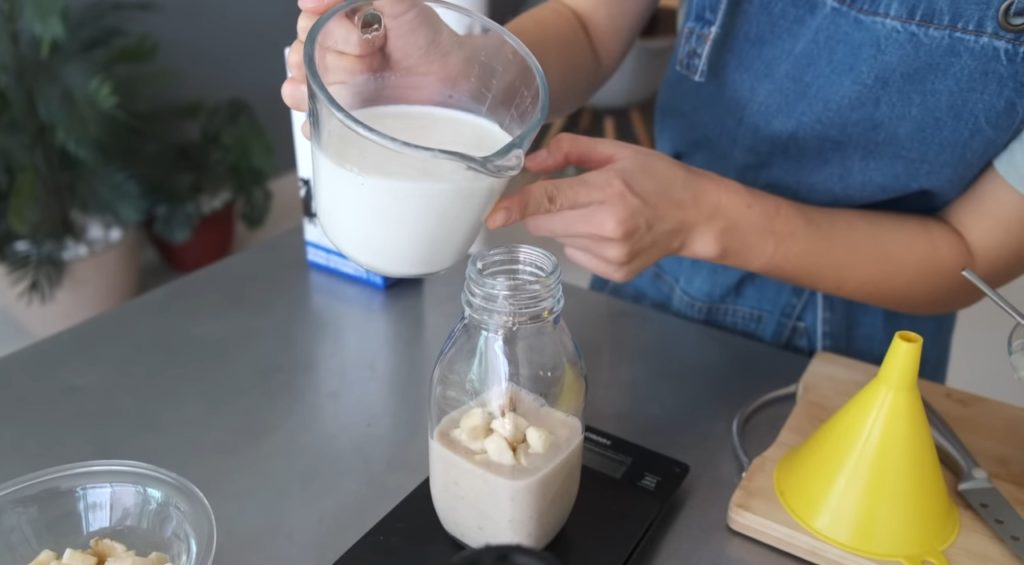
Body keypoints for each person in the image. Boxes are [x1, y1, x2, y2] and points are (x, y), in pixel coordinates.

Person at [283, 0, 1024, 381]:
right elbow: (588, 21)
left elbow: (967, 253)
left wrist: (701, 215)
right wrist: (465, 78)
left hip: (861, 342)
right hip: (648, 279)